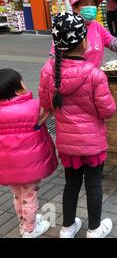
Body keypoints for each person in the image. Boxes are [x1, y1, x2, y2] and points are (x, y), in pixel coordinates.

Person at [40, 12, 117, 238]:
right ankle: (94, 229)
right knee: (93, 185)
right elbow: (108, 111)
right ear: (83, 42)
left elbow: (47, 106)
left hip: (67, 144)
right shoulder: (95, 75)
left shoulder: (48, 72)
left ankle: (67, 227)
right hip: (92, 144)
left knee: (71, 184)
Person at [0, 69, 57, 238]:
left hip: (7, 165)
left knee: (18, 196)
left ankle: (23, 224)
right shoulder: (33, 107)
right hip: (30, 166)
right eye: (22, 81)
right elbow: (51, 109)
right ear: (18, 89)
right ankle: (30, 230)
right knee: (30, 197)